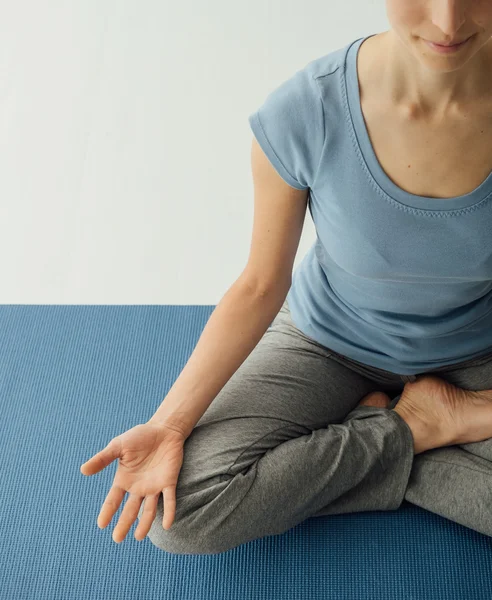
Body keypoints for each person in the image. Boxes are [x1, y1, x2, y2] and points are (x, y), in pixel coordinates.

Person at [81, 1, 492, 554]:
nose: (448, 21)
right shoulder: (306, 110)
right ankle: (415, 428)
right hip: (330, 344)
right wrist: (170, 425)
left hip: (475, 351)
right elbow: (258, 285)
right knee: (182, 514)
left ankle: (371, 441)